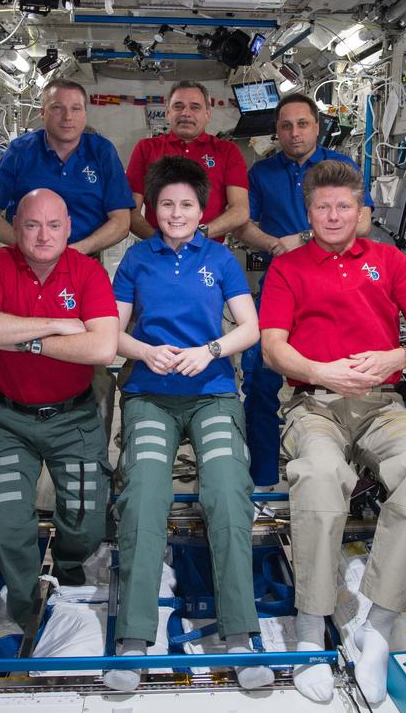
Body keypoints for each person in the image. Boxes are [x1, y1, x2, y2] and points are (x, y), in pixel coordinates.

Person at [258, 160, 406, 705]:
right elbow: (274, 348)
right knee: (320, 475)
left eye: (344, 206)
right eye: (323, 207)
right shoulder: (289, 268)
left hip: (382, 402)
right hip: (313, 401)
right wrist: (321, 372)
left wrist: (398, 353)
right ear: (309, 212)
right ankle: (311, 627)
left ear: (361, 210)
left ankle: (378, 628)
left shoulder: (387, 261)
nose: (334, 215)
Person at [102, 156, 271, 692]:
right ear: (150, 209)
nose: (176, 213)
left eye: (187, 205)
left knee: (227, 490)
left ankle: (241, 635)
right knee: (145, 493)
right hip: (150, 397)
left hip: (213, 396)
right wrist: (146, 353)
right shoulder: (134, 260)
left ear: (204, 211)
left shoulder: (220, 260)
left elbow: (251, 326)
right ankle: (132, 639)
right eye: (166, 204)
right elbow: (112, 331)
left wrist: (211, 349)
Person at [0, 188, 119, 629]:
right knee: (7, 524)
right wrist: (54, 327)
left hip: (75, 418)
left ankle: (68, 565)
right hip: (8, 420)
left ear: (69, 228)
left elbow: (102, 347)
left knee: (88, 521)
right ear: (16, 228)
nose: (43, 235)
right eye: (31, 225)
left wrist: (19, 339)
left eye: (54, 225)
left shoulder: (87, 272)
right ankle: (27, 608)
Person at [234, 93, 374, 489]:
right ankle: (261, 479)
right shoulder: (261, 173)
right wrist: (275, 244)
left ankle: (340, 479)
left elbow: (362, 222)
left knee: (339, 383)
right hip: (281, 286)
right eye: (285, 126)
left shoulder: (341, 166)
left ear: (317, 126)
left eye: (302, 124)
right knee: (261, 379)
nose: (294, 133)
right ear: (277, 131)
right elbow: (244, 224)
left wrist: (306, 236)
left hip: (334, 289)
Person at [0, 79, 133, 256]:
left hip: (84, 259)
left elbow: (121, 222)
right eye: (57, 108)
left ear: (85, 115)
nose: (67, 117)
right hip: (25, 259)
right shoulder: (21, 151)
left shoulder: (102, 152)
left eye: (76, 108)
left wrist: (74, 252)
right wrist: (31, 247)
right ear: (42, 112)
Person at [126, 81, 249, 242]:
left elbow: (240, 210)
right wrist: (160, 242)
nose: (186, 113)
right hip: (158, 252)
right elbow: (130, 210)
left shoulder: (227, 151)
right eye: (178, 106)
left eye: (195, 107)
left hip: (208, 252)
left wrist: (199, 235)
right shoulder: (146, 148)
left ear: (207, 114)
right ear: (168, 113)